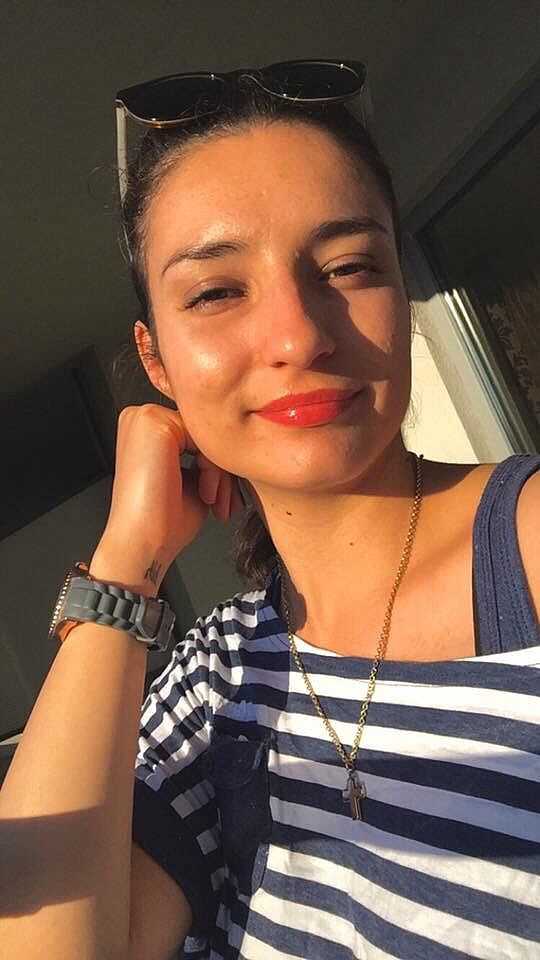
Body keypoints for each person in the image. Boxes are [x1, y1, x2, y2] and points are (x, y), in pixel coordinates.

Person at [1, 61, 539, 960]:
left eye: (348, 267)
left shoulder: (526, 548)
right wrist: (127, 558)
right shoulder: (215, 678)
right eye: (217, 292)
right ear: (156, 360)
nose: (298, 335)